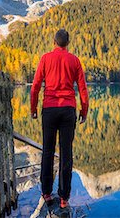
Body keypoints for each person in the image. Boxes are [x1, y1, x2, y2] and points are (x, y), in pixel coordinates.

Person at [30, 28, 89, 209]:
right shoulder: (74, 60)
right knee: (66, 154)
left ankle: (46, 193)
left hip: (49, 109)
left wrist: (33, 108)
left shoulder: (45, 58)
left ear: (54, 42)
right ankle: (64, 197)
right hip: (68, 110)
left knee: (47, 152)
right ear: (67, 43)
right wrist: (83, 111)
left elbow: (36, 86)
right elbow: (83, 89)